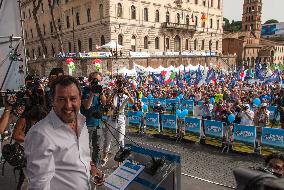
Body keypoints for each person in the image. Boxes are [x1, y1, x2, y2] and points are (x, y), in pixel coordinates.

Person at [24, 75, 103, 190]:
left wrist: (93, 169)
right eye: (61, 99)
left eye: (73, 98)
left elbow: (83, 156)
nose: (68, 105)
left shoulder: (81, 122)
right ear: (53, 100)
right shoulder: (40, 134)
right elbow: (39, 186)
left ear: (80, 98)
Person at [101, 75, 134, 165]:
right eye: (119, 84)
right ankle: (105, 156)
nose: (120, 86)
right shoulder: (113, 92)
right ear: (116, 84)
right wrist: (113, 94)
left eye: (122, 84)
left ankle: (120, 160)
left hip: (121, 118)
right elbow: (107, 103)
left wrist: (127, 93)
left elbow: (132, 102)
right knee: (108, 139)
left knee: (121, 139)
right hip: (111, 118)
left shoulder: (126, 94)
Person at [81, 71, 106, 167]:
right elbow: (87, 106)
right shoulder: (84, 90)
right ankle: (86, 167)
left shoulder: (99, 90)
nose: (97, 83)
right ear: (90, 80)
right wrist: (91, 93)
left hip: (98, 123)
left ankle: (97, 166)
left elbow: (104, 103)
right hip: (87, 123)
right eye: (95, 81)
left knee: (98, 146)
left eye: (99, 81)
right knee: (87, 147)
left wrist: (101, 92)